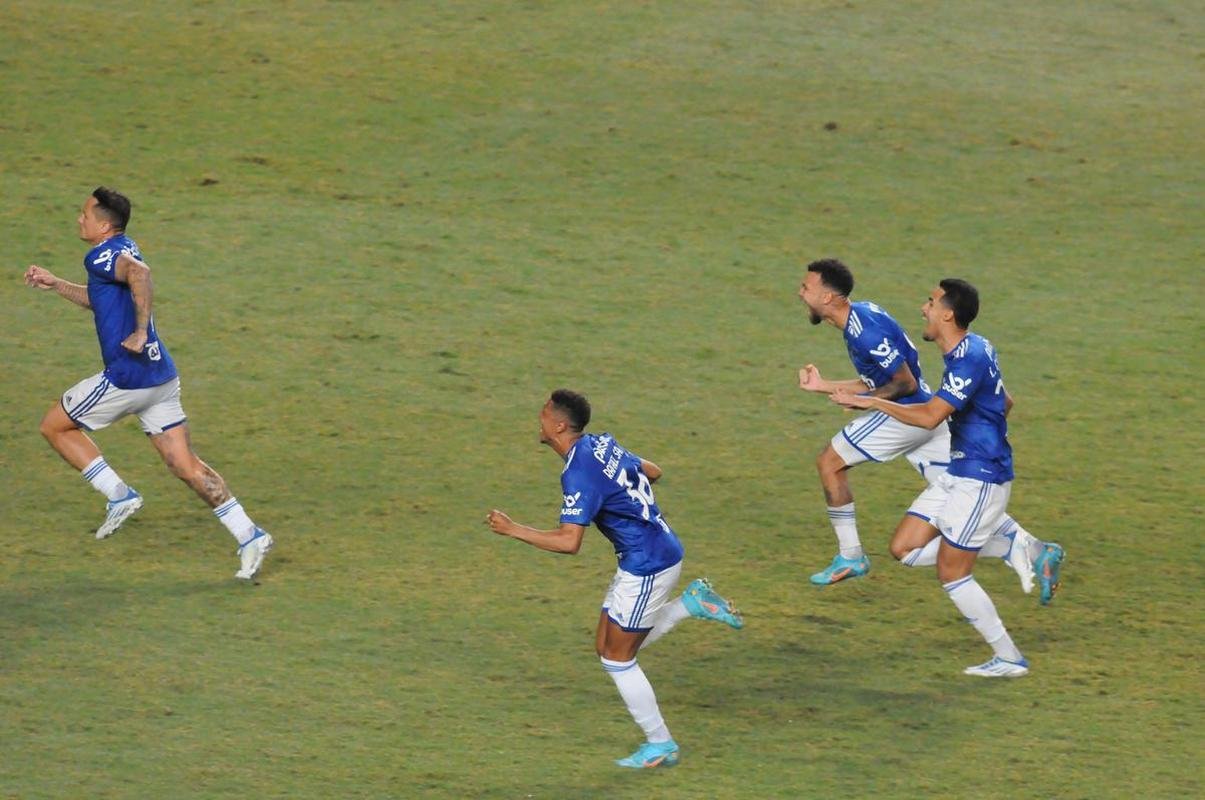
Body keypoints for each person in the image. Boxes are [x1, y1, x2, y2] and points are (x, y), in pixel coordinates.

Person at [23, 187, 273, 580]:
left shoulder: (104, 254)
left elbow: (140, 275)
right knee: (184, 465)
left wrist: (140, 331)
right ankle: (249, 534)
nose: (79, 218)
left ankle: (119, 494)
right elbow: (102, 298)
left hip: (128, 377)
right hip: (160, 377)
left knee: (54, 425)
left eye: (85, 213)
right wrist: (57, 285)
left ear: (104, 225)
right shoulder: (121, 247)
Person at [485, 389, 743, 768]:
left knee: (619, 661)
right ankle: (691, 604)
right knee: (607, 646)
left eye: (543, 414)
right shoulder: (599, 444)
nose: (538, 419)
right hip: (649, 554)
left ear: (558, 425)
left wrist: (513, 529)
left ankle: (661, 744)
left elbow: (569, 541)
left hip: (647, 565)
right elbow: (653, 471)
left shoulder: (577, 471)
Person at [832, 279, 1065, 676]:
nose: (923, 308)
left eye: (930, 302)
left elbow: (928, 416)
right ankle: (1024, 549)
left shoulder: (968, 359)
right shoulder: (976, 348)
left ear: (947, 314)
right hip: (960, 472)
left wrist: (869, 402)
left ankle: (1009, 658)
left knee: (952, 572)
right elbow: (1005, 401)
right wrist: (982, 428)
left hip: (980, 478)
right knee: (904, 549)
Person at [797, 258, 1044, 591]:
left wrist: (869, 403)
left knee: (830, 461)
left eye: (806, 288)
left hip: (909, 415)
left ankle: (851, 555)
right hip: (925, 412)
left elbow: (904, 383)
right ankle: (1031, 547)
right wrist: (825, 385)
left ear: (828, 298)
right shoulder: (863, 317)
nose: (800, 293)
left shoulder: (865, 331)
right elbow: (880, 379)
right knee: (962, 491)